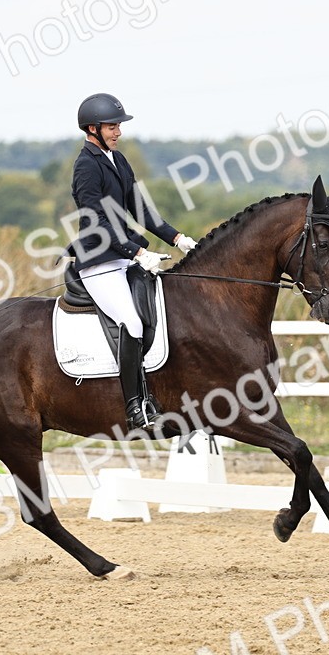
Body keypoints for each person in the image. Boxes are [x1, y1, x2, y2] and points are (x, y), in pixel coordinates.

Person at [69, 92, 197, 430]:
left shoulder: (117, 160)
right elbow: (97, 220)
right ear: (92, 128)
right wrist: (138, 253)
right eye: (113, 126)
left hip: (123, 258)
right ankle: (134, 407)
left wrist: (178, 238)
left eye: (118, 126)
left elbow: (139, 209)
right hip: (99, 262)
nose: (118, 132)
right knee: (133, 322)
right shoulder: (86, 165)